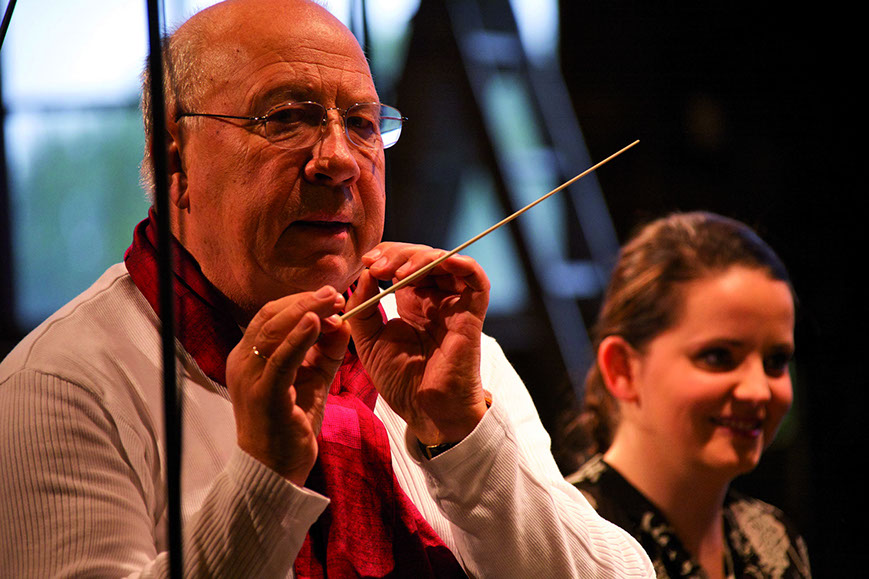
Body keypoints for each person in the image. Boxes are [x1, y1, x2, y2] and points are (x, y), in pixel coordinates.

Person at [0, 0, 654, 576]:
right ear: (177, 158)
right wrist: (264, 479)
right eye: (287, 117)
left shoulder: (445, 359)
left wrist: (461, 436)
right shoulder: (62, 385)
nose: (340, 159)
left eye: (363, 124)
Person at [566, 211, 812, 578]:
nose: (758, 390)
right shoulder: (565, 542)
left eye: (775, 361)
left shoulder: (772, 538)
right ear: (623, 369)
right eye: (718, 357)